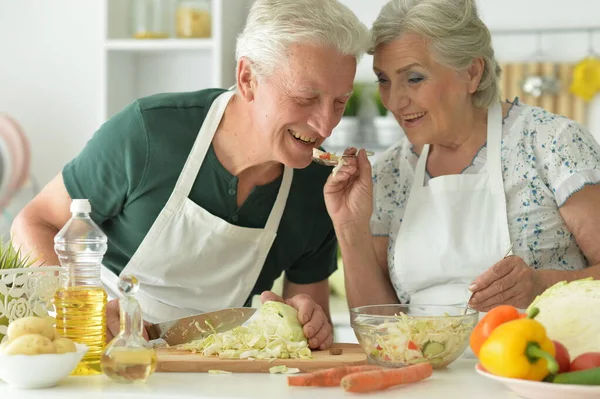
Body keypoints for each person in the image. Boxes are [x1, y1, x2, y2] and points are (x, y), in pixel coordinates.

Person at [10, 0, 369, 348]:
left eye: (339, 102)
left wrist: (309, 320)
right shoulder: (150, 133)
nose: (326, 124)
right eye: (306, 97)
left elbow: (310, 326)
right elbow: (34, 222)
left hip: (215, 369)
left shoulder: (317, 189)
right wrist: (81, 309)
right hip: (98, 353)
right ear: (248, 79)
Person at [324, 0, 600, 313]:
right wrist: (349, 228)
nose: (395, 101)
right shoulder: (389, 172)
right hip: (425, 361)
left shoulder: (551, 143)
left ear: (471, 72)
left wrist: (543, 285)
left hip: (540, 358)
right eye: (384, 80)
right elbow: (379, 324)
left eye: (414, 78)